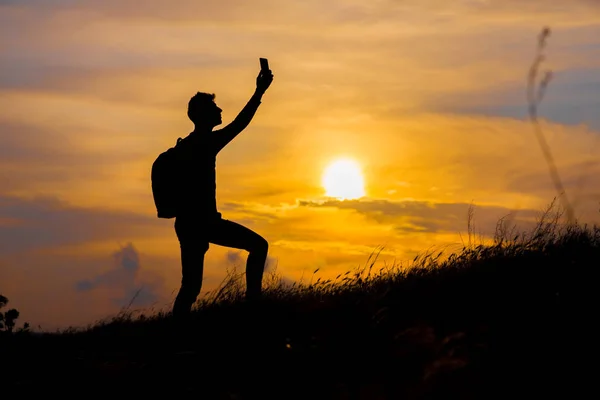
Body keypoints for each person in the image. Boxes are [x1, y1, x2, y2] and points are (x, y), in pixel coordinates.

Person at [171, 66, 274, 317]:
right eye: (215, 109)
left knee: (191, 286)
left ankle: (174, 331)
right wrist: (259, 91)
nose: (220, 111)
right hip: (202, 223)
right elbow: (240, 123)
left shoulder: (186, 146)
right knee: (259, 246)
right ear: (204, 115)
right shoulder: (206, 143)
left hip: (186, 224)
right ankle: (253, 306)